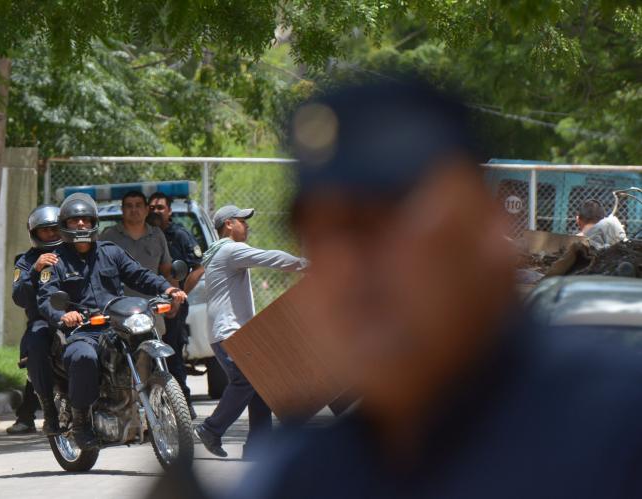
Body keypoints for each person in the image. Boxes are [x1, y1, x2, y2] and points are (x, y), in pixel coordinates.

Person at [233, 79, 642, 498]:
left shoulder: (617, 427)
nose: (346, 268)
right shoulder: (302, 474)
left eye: (377, 224)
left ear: (487, 229)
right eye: (319, 236)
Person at [37, 193, 187, 450]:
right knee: (83, 357)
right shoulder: (56, 261)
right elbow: (47, 297)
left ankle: (157, 399)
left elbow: (139, 275)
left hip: (117, 325)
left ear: (94, 222)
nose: (81, 224)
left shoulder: (110, 251)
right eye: (75, 221)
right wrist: (63, 315)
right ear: (65, 225)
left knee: (146, 336)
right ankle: (81, 422)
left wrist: (168, 289)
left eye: (86, 219)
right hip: (82, 330)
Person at [195, 204, 307, 459]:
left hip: (229, 333)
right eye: (242, 220)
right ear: (229, 224)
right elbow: (270, 257)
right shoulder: (230, 250)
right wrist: (304, 264)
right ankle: (211, 429)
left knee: (261, 385)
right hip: (229, 334)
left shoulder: (217, 253)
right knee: (245, 380)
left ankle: (259, 448)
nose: (247, 225)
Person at [7, 205, 63, 435]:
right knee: (37, 349)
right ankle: (45, 412)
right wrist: (35, 269)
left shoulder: (74, 252)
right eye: (45, 231)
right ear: (34, 233)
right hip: (44, 321)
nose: (51, 234)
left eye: (55, 229)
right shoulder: (26, 261)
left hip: (79, 317)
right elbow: (19, 296)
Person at [148, 192, 203, 418]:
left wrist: (179, 296)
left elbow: (198, 268)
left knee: (172, 355)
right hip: (144, 304)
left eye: (161, 207)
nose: (156, 211)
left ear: (169, 211)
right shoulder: (145, 235)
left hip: (172, 305)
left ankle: (184, 406)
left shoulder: (179, 235)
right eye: (152, 207)